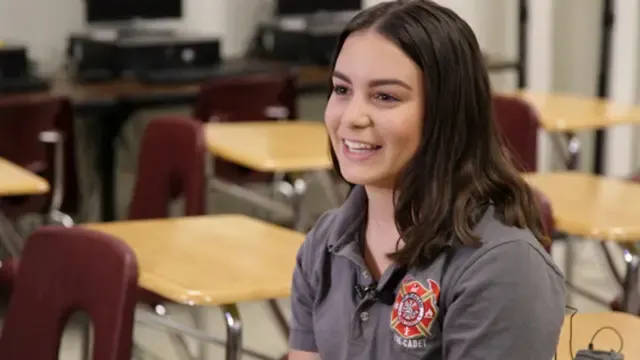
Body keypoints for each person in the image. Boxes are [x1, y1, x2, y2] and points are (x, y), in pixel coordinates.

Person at [288, 1, 566, 359]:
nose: (352, 117)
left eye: (385, 96)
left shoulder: (502, 266)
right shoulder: (323, 244)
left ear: (446, 112)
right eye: (342, 90)